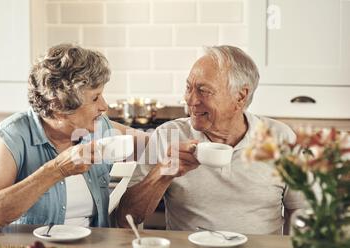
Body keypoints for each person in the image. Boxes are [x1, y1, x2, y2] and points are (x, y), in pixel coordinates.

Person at [116, 45, 305, 235]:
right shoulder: (168, 135)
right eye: (188, 87)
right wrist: (162, 173)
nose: (191, 100)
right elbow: (126, 217)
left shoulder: (281, 138)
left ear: (240, 96)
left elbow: (299, 210)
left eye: (203, 90)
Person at [0, 44, 146, 232]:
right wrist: (56, 170)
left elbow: (154, 147)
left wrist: (179, 144)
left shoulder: (98, 128)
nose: (104, 106)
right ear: (59, 105)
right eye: (95, 98)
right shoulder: (13, 137)